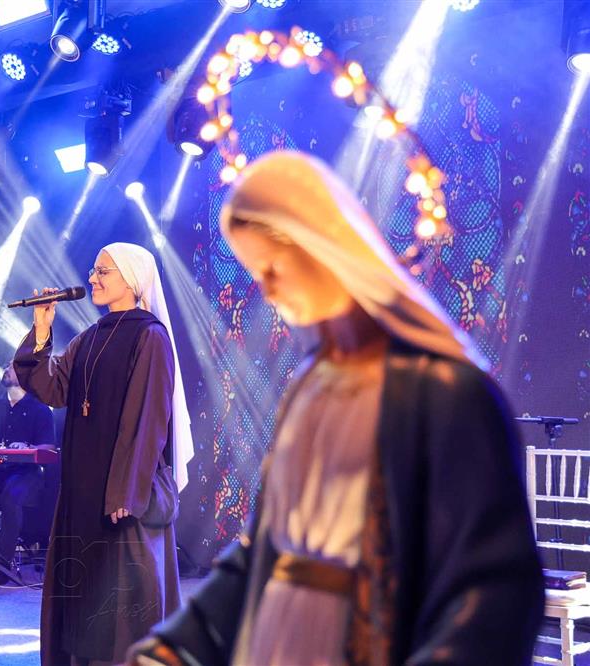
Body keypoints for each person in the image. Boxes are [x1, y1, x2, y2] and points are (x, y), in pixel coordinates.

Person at [128, 151, 543, 665]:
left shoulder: (444, 394)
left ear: (321, 247)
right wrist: (174, 648)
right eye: (255, 273)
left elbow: (494, 590)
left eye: (272, 267)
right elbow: (263, 552)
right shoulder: (311, 386)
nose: (267, 290)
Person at [13, 242, 193, 666]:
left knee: (123, 595)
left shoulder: (150, 336)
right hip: (84, 485)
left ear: (131, 279)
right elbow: (53, 388)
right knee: (83, 593)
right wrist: (41, 332)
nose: (92, 278)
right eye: (93, 271)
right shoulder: (89, 338)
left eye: (103, 272)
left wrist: (127, 490)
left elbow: (147, 417)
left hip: (124, 489)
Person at [0, 364, 56, 581]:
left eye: (11, 367)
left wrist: (27, 447)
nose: (6, 368)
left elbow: (49, 447)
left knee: (11, 494)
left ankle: (3, 562)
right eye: (5, 365)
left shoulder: (40, 409)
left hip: (27, 473)